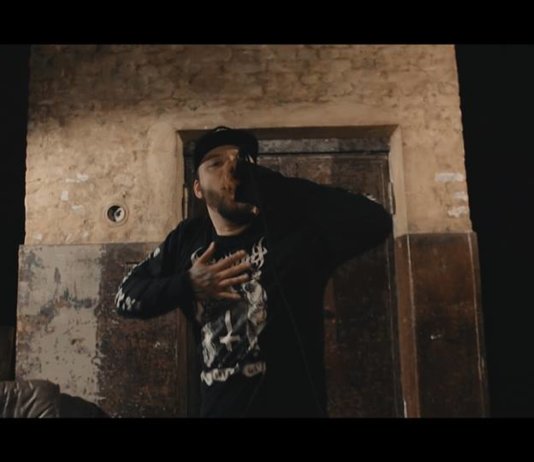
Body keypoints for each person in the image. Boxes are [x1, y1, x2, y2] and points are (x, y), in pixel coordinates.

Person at [115, 126, 393, 418]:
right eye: (216, 164)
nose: (231, 171)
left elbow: (375, 221)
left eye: (241, 162)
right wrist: (188, 283)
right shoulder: (187, 240)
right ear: (197, 188)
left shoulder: (296, 232)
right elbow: (125, 296)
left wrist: (274, 186)